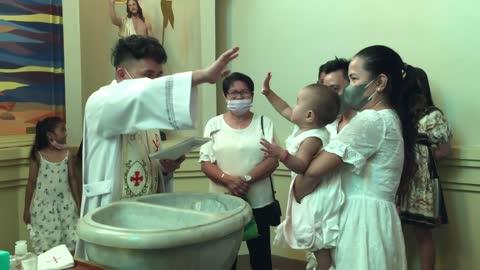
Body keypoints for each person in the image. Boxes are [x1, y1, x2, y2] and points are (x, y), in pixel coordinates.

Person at [76, 35, 239, 259]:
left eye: (159, 76)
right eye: (147, 76)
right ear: (122, 74)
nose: (154, 85)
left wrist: (165, 167)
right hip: (113, 214)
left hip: (147, 215)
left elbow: (146, 165)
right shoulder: (101, 101)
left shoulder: (148, 115)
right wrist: (201, 76)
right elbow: (142, 94)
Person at [294, 45, 418, 269]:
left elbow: (313, 171)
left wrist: (299, 189)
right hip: (376, 218)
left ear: (380, 82)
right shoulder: (389, 118)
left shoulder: (371, 119)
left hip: (361, 221)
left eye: (353, 79)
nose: (350, 87)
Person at [260, 72, 343, 270]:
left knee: (317, 240)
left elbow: (302, 166)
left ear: (309, 115)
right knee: (314, 241)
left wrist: (282, 154)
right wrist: (268, 93)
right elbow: (284, 109)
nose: (292, 107)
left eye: (298, 103)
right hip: (306, 189)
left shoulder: (313, 138)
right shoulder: (305, 127)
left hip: (315, 194)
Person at [199, 72, 279, 270]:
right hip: (224, 202)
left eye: (244, 93)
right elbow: (206, 162)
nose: (239, 97)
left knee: (260, 257)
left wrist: (245, 179)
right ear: (226, 96)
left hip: (259, 201)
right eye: (234, 93)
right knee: (225, 256)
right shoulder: (214, 124)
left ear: (252, 95)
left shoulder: (264, 122)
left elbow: (273, 159)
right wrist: (228, 180)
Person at [398, 65, 452, 270]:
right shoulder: (396, 115)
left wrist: (421, 159)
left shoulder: (432, 115)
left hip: (421, 184)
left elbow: (445, 151)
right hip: (398, 179)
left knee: (421, 233)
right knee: (395, 231)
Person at [23, 117, 81, 254]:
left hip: (66, 206)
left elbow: (73, 179)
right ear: (50, 135)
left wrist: (79, 204)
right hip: (43, 209)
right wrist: (26, 209)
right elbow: (31, 183)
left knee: (71, 243)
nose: (66, 133)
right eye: (62, 130)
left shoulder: (67, 154)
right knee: (48, 246)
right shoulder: (38, 156)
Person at [319, 58, 355, 139]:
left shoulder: (366, 122)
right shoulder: (328, 123)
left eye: (334, 89)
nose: (328, 95)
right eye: (326, 89)